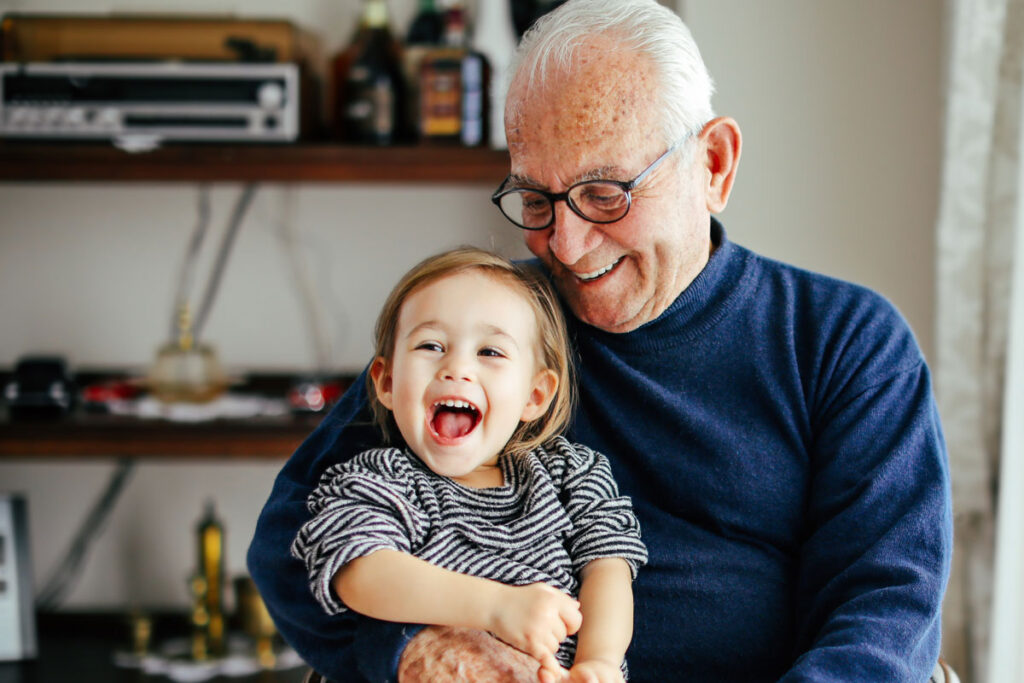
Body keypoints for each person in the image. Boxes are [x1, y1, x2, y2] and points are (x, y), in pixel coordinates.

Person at [248, 0, 953, 680]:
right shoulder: (492, 327)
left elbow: (883, 611)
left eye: (606, 192)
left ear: (714, 165)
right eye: (536, 199)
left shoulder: (845, 342)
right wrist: (410, 650)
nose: (568, 244)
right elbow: (293, 538)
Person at [289, 247, 647, 682]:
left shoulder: (572, 475)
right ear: (385, 381)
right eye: (431, 345)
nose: (456, 368)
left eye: (490, 352)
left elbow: (609, 568)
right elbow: (359, 571)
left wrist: (600, 662)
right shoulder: (378, 479)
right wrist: (496, 607)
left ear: (535, 394)